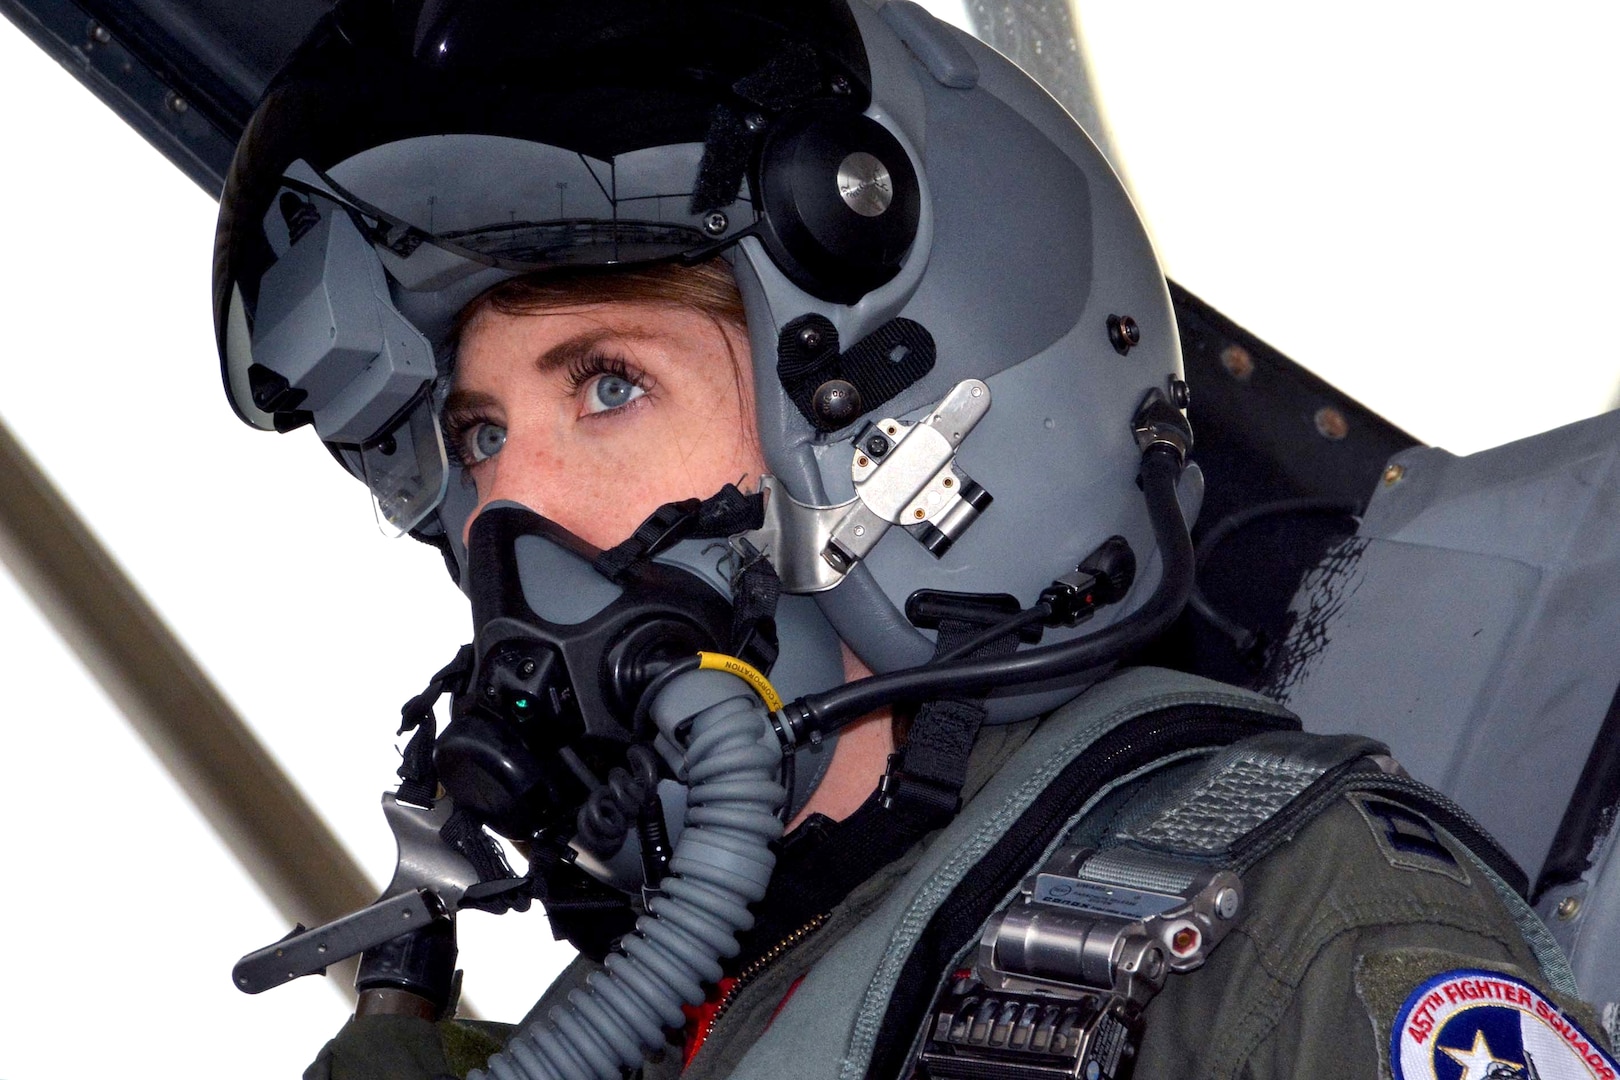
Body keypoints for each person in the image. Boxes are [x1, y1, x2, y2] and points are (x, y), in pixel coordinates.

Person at [211, 2, 1612, 1079]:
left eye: (608, 385)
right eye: (475, 438)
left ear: (916, 431)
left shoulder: (1268, 926)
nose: (511, 511)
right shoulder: (650, 1025)